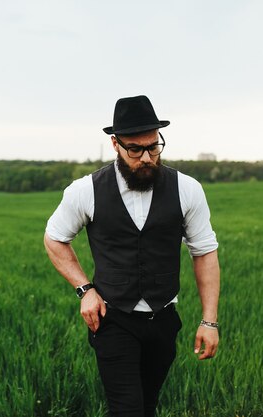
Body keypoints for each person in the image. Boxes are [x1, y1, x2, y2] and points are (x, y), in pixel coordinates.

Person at [44, 95, 220, 417]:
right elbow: (55, 239)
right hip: (113, 319)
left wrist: (209, 321)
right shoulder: (86, 190)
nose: (147, 157)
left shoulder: (187, 189)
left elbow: (205, 251)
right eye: (135, 149)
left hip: (164, 321)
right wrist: (85, 289)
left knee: (147, 406)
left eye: (153, 146)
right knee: (127, 410)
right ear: (115, 144)